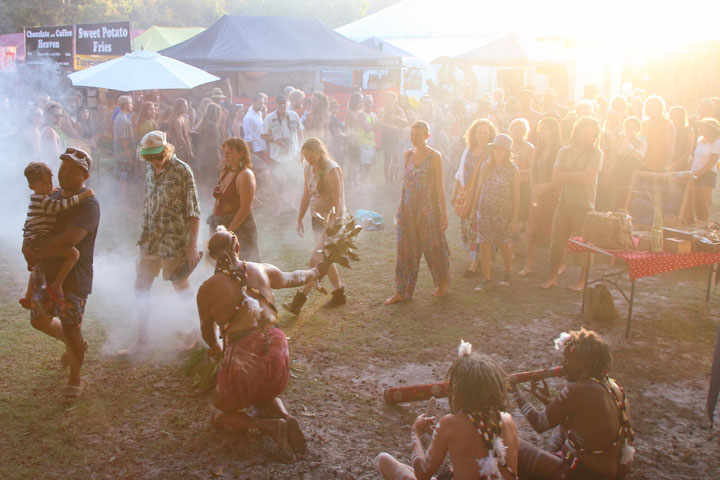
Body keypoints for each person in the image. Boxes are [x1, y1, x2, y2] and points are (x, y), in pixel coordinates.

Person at [197, 227, 323, 461]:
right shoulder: (261, 269)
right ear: (237, 247)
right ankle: (286, 417)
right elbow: (293, 277)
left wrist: (216, 349)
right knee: (260, 392)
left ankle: (272, 428)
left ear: (212, 255)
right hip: (278, 351)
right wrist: (315, 271)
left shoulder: (206, 289)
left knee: (219, 415)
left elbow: (207, 330)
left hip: (247, 358)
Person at [376, 341, 520, 480]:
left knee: (383, 460)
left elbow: (421, 474)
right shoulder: (508, 420)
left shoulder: (451, 423)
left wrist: (416, 433)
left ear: (462, 390)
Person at [118, 131, 201, 358]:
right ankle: (142, 340)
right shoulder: (149, 169)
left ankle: (195, 329)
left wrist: (192, 245)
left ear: (166, 150)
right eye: (149, 158)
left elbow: (193, 210)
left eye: (157, 156)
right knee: (141, 287)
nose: (154, 161)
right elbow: (148, 200)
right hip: (150, 239)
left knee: (180, 285)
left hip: (174, 239)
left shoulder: (182, 171)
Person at [26, 149, 100, 400]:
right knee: (39, 320)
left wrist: (39, 253)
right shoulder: (53, 196)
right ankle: (76, 344)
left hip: (72, 276)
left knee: (71, 329)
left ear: (85, 175)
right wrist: (27, 247)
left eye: (72, 171)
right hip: (46, 272)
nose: (64, 174)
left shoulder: (88, 203)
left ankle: (75, 378)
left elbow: (72, 238)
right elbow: (34, 225)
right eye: (63, 168)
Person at [513, 328, 634, 480]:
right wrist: (548, 402)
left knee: (511, 443)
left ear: (584, 364)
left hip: (583, 473)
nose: (563, 364)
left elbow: (539, 423)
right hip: (611, 471)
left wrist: (514, 390)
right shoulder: (614, 387)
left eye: (569, 359)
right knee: (560, 431)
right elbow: (588, 429)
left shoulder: (580, 389)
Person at [385, 121, 450, 304]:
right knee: (405, 251)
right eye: (412, 135)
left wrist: (444, 214)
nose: (414, 139)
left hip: (428, 211)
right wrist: (400, 209)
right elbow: (405, 184)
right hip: (407, 210)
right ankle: (402, 291)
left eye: (418, 135)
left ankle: (442, 283)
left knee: (433, 248)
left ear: (427, 136)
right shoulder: (407, 154)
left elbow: (440, 187)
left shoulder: (434, 157)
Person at [283, 138, 347, 315]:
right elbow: (306, 195)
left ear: (319, 152)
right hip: (316, 220)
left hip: (333, 222)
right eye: (305, 156)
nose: (307, 159)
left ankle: (298, 301)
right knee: (325, 259)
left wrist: (330, 226)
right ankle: (339, 292)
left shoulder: (332, 170)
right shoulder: (309, 169)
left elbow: (337, 202)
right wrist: (299, 218)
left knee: (315, 260)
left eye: (309, 155)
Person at [20, 160, 95, 308]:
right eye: (43, 185)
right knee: (73, 255)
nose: (48, 187)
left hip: (32, 238)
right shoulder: (44, 201)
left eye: (49, 183)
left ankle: (28, 296)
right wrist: (81, 197)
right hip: (39, 238)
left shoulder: (39, 197)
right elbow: (59, 206)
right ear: (32, 186)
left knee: (36, 266)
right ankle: (57, 284)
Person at [541, 117, 603, 291]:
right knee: (557, 239)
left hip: (584, 204)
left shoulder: (596, 153)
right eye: (585, 131)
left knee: (584, 243)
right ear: (578, 131)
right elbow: (555, 176)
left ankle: (582, 280)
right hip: (565, 201)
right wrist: (576, 174)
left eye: (591, 133)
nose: (587, 137)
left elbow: (587, 179)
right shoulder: (565, 151)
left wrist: (568, 175)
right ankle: (552, 277)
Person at [473, 134, 520, 292]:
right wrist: (474, 209)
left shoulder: (513, 169)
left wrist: (514, 218)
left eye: (502, 149)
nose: (498, 152)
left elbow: (516, 195)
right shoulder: (486, 166)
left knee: (503, 243)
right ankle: (486, 279)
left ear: (507, 151)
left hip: (503, 212)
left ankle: (508, 271)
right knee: (484, 243)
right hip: (485, 209)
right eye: (496, 148)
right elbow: (479, 188)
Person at [452, 119, 496, 278]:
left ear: (490, 134)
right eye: (479, 132)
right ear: (474, 134)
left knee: (479, 228)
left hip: (484, 196)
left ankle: (476, 263)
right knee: (469, 226)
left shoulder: (492, 152)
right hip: (467, 194)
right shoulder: (468, 150)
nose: (482, 135)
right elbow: (460, 172)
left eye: (485, 132)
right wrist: (456, 191)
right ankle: (475, 258)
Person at [519, 117, 562, 277]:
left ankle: (559, 264)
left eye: (545, 128)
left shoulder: (560, 150)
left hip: (554, 191)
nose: (542, 132)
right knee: (533, 228)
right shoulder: (538, 149)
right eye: (541, 129)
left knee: (555, 229)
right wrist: (533, 188)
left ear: (553, 130)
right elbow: (531, 171)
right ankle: (528, 265)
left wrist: (547, 187)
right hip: (537, 191)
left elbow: (561, 175)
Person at [210, 137, 260, 262]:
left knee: (245, 266)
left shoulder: (245, 175)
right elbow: (218, 199)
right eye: (224, 153)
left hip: (240, 228)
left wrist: (229, 232)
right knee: (224, 266)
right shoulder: (226, 171)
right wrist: (213, 219)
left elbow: (245, 207)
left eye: (229, 153)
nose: (225, 156)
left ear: (241, 153)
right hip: (222, 225)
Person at [262, 95, 304, 215]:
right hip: (277, 157)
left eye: (284, 103)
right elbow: (263, 135)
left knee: (293, 181)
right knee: (278, 183)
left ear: (287, 104)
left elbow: (300, 130)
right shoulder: (270, 118)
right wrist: (276, 140)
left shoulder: (294, 115)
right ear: (276, 105)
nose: (282, 105)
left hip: (292, 155)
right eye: (280, 103)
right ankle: (279, 207)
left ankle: (291, 204)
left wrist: (300, 147)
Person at [607, 117, 646, 211]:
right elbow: (615, 159)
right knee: (613, 200)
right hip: (617, 174)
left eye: (633, 128)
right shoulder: (621, 141)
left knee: (628, 201)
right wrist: (607, 175)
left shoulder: (641, 142)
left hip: (631, 176)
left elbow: (641, 156)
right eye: (627, 127)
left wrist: (631, 148)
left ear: (638, 129)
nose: (629, 130)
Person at [691, 118, 720, 222]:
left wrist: (700, 172)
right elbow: (695, 156)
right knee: (695, 200)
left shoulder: (716, 142)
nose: (699, 129)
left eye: (702, 127)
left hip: (708, 173)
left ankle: (705, 223)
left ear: (709, 128)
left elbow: (713, 161)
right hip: (694, 172)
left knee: (702, 200)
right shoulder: (699, 140)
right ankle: (699, 221)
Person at [509, 118, 535, 223]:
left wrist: (518, 171)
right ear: (510, 131)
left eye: (520, 130)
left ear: (525, 131)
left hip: (523, 182)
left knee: (521, 208)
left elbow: (531, 169)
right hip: (507, 182)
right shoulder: (506, 146)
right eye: (515, 129)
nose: (518, 132)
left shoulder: (530, 148)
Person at [380, 91, 409, 184]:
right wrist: (392, 127)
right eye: (386, 98)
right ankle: (387, 180)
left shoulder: (398, 109)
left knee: (395, 158)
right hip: (386, 136)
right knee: (387, 158)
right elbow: (380, 123)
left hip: (396, 136)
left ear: (394, 100)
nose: (388, 100)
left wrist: (397, 118)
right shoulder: (383, 109)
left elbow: (405, 122)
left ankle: (392, 178)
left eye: (390, 98)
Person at [640, 96, 674, 173]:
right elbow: (642, 142)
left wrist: (666, 164)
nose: (649, 109)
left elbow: (669, 147)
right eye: (648, 106)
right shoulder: (645, 124)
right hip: (645, 163)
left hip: (659, 164)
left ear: (659, 108)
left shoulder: (667, 124)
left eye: (652, 106)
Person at [195, 103, 224, 190]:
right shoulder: (213, 126)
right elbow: (214, 146)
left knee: (206, 182)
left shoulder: (204, 124)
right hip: (211, 158)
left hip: (203, 156)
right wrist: (219, 159)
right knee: (212, 181)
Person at [114, 95, 135, 200]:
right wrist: (129, 156)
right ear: (126, 105)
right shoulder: (122, 119)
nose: (132, 105)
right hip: (122, 154)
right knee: (124, 178)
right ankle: (123, 204)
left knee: (125, 177)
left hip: (123, 153)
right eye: (131, 103)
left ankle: (124, 202)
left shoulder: (124, 117)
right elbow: (124, 140)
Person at [168, 97, 194, 164]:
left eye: (187, 106)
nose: (186, 108)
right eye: (184, 106)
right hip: (179, 147)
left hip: (186, 144)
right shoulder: (177, 120)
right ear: (178, 108)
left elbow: (186, 133)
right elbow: (180, 138)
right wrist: (188, 151)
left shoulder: (185, 117)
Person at [243, 93, 268, 162]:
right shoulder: (248, 118)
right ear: (253, 103)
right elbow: (248, 138)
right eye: (259, 104)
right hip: (255, 151)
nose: (261, 106)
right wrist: (252, 154)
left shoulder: (259, 113)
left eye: (262, 103)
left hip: (261, 148)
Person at [669, 106, 694, 172]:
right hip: (668, 162)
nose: (671, 116)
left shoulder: (688, 130)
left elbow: (688, 150)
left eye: (674, 114)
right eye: (671, 114)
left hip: (682, 164)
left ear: (681, 116)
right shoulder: (667, 129)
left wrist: (677, 163)